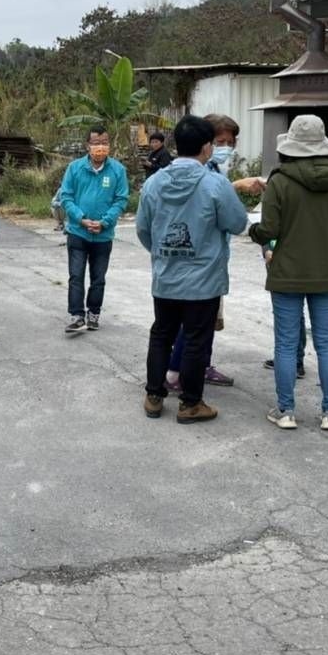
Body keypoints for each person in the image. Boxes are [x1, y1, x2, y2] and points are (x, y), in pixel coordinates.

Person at [136, 115, 250, 424]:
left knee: (162, 334)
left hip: (166, 277)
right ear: (206, 147)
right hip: (204, 280)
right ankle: (190, 403)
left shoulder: (154, 182)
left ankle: (154, 396)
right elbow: (238, 223)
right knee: (197, 340)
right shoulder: (215, 184)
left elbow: (143, 230)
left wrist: (164, 255)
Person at [249, 115, 328, 431]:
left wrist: (253, 231)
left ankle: (285, 411)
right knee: (327, 343)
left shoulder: (279, 181)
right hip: (327, 272)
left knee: (285, 344)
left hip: (286, 273)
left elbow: (269, 229)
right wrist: (326, 247)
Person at [164, 112, 255, 391]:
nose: (225, 147)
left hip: (207, 258)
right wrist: (236, 189)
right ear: (205, 143)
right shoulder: (202, 175)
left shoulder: (214, 172)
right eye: (219, 141)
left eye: (230, 141)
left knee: (204, 322)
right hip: (201, 261)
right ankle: (177, 375)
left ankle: (197, 366)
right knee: (194, 323)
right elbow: (236, 220)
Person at [59, 126, 130, 333]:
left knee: (98, 278)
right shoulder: (75, 168)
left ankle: (93, 314)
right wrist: (81, 219)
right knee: (76, 275)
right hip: (78, 233)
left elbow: (121, 199)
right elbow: (66, 197)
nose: (101, 147)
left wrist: (105, 221)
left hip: (103, 235)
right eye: (96, 143)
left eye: (105, 142)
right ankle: (77, 315)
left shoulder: (118, 170)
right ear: (87, 145)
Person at [262, 242, 307, 379]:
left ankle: (295, 361)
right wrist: (266, 249)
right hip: (277, 258)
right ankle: (291, 360)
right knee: (288, 313)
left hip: (291, 260)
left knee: (291, 313)